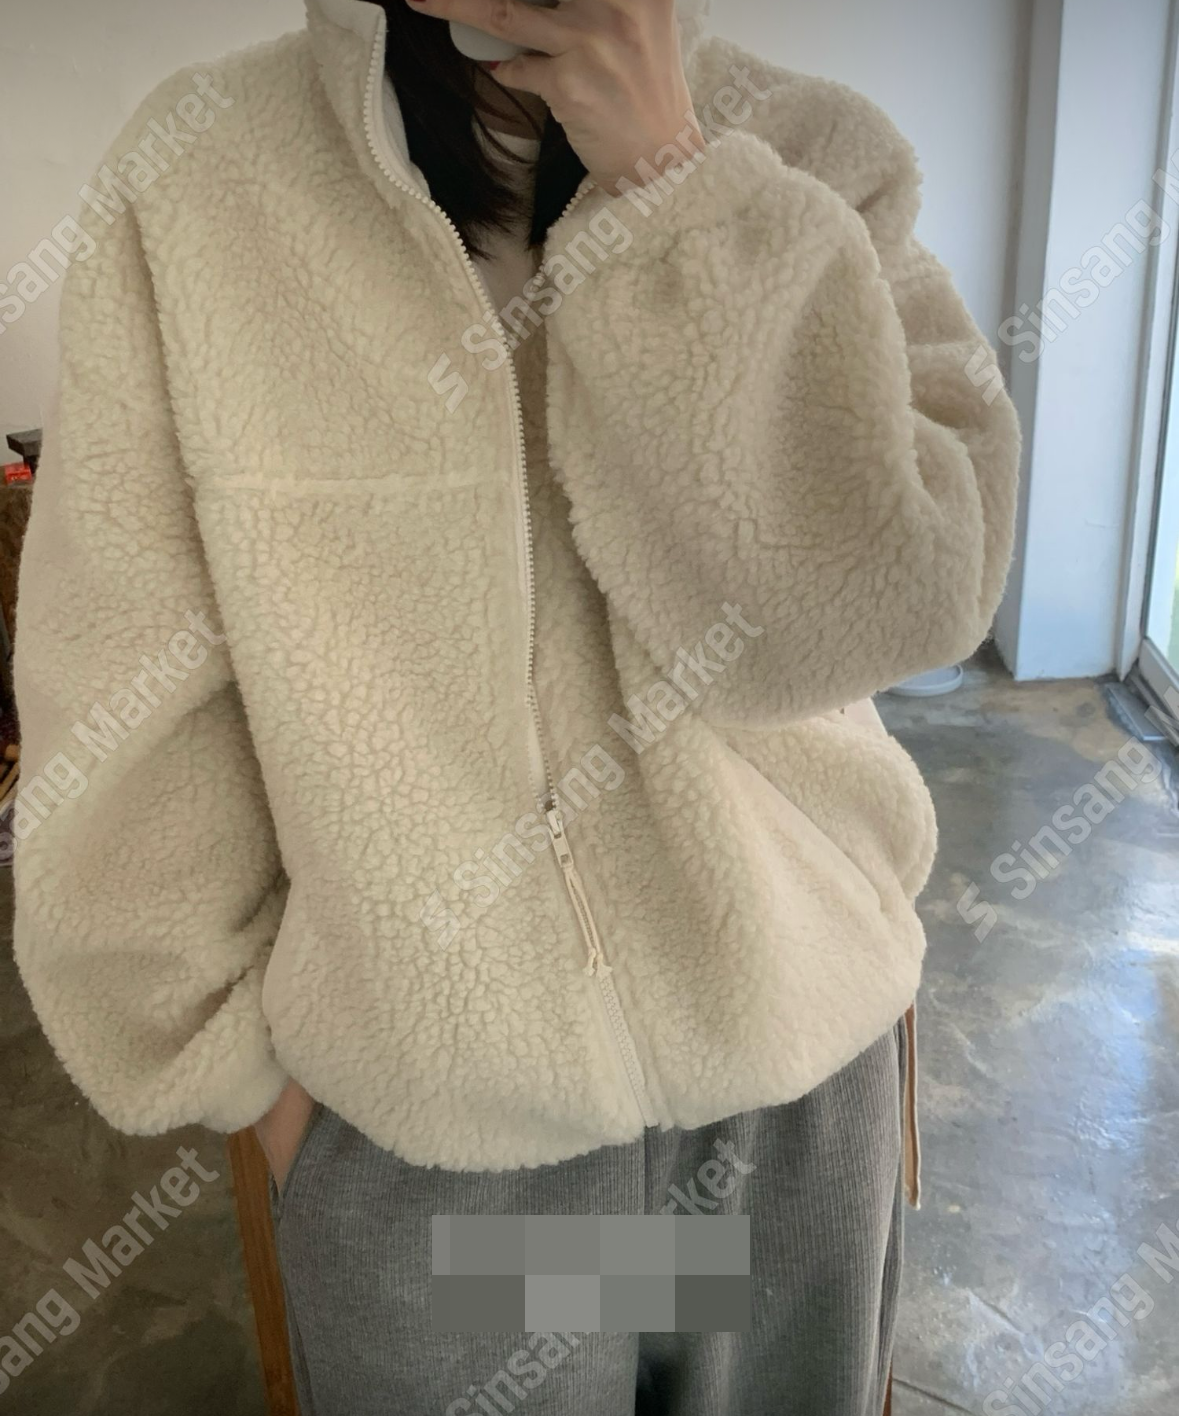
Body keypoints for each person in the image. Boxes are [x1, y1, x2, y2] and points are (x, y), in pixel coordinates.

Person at [13, 0, 1021, 1411]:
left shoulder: (803, 147)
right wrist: (250, 1078)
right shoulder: (201, 176)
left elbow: (895, 600)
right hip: (441, 1148)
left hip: (787, 1104)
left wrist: (674, 183)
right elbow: (125, 676)